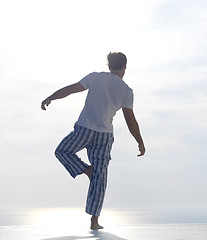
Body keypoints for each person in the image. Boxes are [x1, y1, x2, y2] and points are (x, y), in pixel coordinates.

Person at [41, 52, 145, 230]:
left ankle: (85, 169)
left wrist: (51, 97)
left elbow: (70, 89)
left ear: (108, 65)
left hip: (84, 129)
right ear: (125, 67)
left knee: (62, 151)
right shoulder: (127, 91)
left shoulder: (96, 77)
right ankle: (94, 221)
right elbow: (130, 119)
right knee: (101, 177)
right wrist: (140, 141)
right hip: (104, 136)